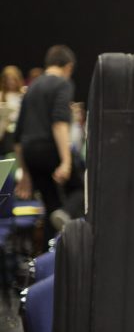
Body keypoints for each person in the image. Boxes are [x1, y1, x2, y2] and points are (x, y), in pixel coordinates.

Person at [13, 45, 84, 244]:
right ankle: (65, 215)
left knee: (50, 205)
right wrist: (66, 161)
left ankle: (47, 258)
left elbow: (18, 136)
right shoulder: (62, 84)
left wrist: (25, 173)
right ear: (68, 67)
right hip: (50, 149)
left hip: (30, 153)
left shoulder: (32, 87)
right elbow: (59, 123)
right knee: (80, 190)